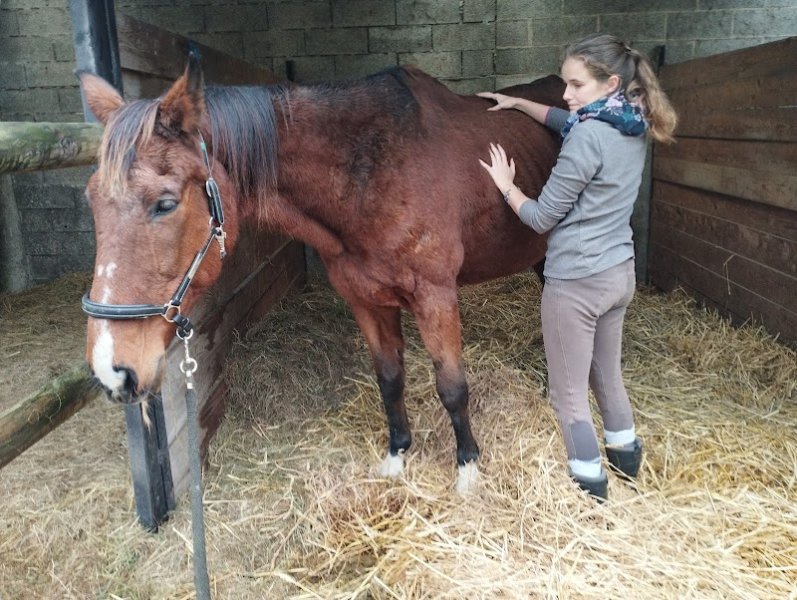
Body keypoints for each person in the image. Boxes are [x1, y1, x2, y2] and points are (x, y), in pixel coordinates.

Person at [478, 33, 677, 501]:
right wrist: (519, 103)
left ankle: (590, 486)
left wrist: (507, 186)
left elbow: (542, 217)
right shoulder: (632, 122)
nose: (566, 93)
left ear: (609, 83)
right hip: (618, 273)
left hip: (576, 282)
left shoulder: (587, 137)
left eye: (575, 84)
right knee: (607, 375)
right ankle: (627, 463)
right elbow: (567, 120)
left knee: (567, 395)